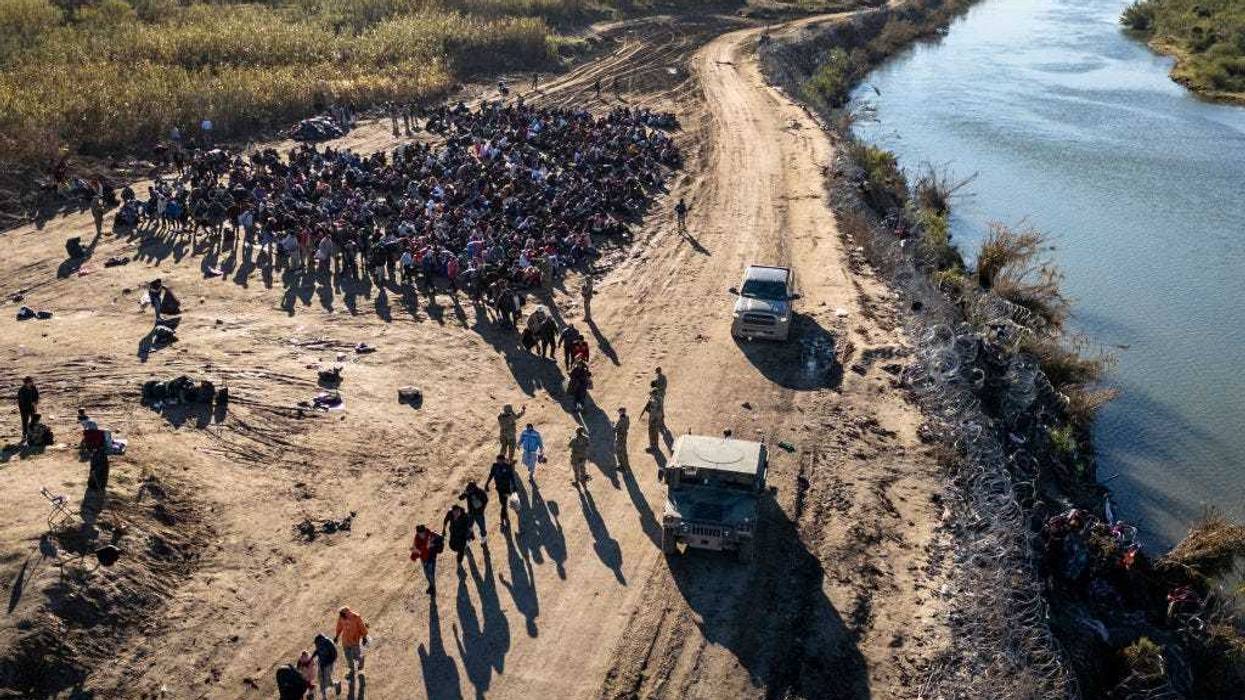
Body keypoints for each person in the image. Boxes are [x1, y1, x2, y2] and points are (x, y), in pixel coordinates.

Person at [333, 607, 369, 679]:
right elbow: (339, 627)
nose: (340, 615)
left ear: (346, 612)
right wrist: (336, 636)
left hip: (354, 640)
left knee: (357, 656)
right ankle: (351, 671)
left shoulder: (356, 617)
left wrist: (364, 637)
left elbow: (362, 627)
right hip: (345, 641)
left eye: (341, 613)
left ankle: (360, 667)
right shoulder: (341, 617)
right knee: (348, 657)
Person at [484, 455, 517, 530]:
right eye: (497, 460)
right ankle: (504, 517)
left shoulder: (508, 467)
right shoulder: (494, 466)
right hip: (499, 489)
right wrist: (486, 484)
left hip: (506, 488)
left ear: (503, 460)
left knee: (504, 504)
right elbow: (491, 475)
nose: (497, 461)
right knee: (503, 504)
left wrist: (514, 486)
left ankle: (503, 518)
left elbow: (512, 476)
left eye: (499, 460)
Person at [410, 524, 440, 594]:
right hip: (423, 559)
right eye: (420, 533)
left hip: (431, 559)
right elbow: (415, 547)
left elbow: (438, 542)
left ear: (425, 531)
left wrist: (433, 545)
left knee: (431, 575)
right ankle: (431, 585)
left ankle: (433, 589)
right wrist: (414, 552)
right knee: (426, 574)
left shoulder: (431, 535)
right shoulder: (417, 538)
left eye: (422, 533)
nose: (421, 535)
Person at [442, 505, 473, 570]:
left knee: (461, 550)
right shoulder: (450, 513)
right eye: (454, 513)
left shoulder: (465, 516)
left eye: (457, 512)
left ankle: (459, 562)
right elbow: (445, 520)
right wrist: (444, 529)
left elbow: (469, 527)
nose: (455, 514)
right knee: (452, 545)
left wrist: (470, 535)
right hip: (453, 533)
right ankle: (463, 549)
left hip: (462, 535)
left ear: (459, 510)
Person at [311, 633, 341, 699]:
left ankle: (337, 684)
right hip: (321, 663)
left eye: (317, 643)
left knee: (327, 681)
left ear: (321, 640)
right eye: (316, 644)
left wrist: (329, 663)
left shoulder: (329, 643)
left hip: (328, 664)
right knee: (320, 679)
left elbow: (335, 654)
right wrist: (312, 657)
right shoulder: (319, 643)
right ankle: (324, 697)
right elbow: (317, 650)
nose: (317, 645)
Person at [18, 377, 39, 443]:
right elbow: (22, 401)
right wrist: (31, 403)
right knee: (25, 422)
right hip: (24, 408)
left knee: (34, 420)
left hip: (32, 407)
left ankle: (33, 435)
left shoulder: (33, 387)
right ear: (26, 383)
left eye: (32, 381)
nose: (31, 383)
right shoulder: (21, 390)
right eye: (30, 382)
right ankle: (24, 436)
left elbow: (36, 396)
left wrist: (35, 404)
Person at [613, 407, 630, 471]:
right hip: (624, 435)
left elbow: (615, 429)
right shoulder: (627, 418)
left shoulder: (620, 421)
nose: (618, 412)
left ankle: (622, 465)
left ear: (622, 412)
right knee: (624, 449)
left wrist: (612, 426)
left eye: (619, 411)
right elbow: (627, 426)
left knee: (619, 451)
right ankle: (626, 463)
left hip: (620, 437)